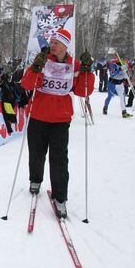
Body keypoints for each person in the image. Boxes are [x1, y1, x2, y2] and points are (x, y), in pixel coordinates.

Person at [20, 28, 95, 218]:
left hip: (60, 119)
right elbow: (27, 84)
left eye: (56, 42)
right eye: (51, 42)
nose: (52, 45)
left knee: (59, 159)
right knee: (36, 152)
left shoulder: (74, 65)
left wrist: (87, 72)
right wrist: (36, 68)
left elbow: (82, 92)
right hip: (38, 115)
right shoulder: (43, 60)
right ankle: (35, 180)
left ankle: (60, 197)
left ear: (65, 45)